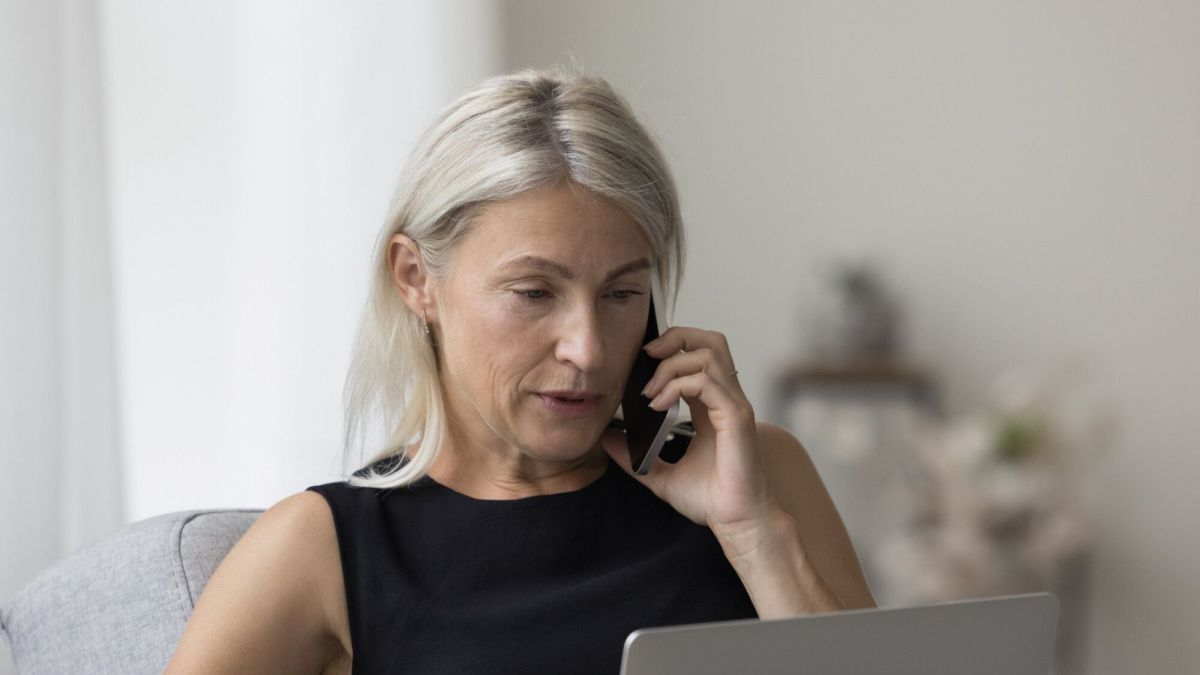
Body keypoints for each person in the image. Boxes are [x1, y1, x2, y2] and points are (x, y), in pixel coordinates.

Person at [165, 66, 874, 675]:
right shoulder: (322, 547)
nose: (589, 349)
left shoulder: (758, 476)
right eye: (535, 293)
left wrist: (752, 533)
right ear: (417, 278)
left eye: (622, 293)